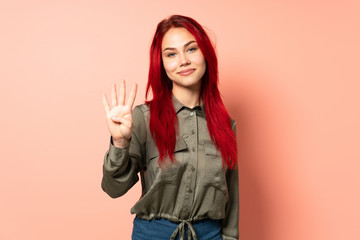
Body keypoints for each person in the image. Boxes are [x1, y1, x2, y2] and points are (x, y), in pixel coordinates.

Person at [101, 15, 238, 240]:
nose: (183, 60)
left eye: (191, 49)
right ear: (162, 64)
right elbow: (113, 189)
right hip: (154, 234)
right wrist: (119, 143)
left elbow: (231, 196)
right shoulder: (143, 119)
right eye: (171, 54)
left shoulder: (225, 124)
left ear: (206, 54)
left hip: (210, 235)